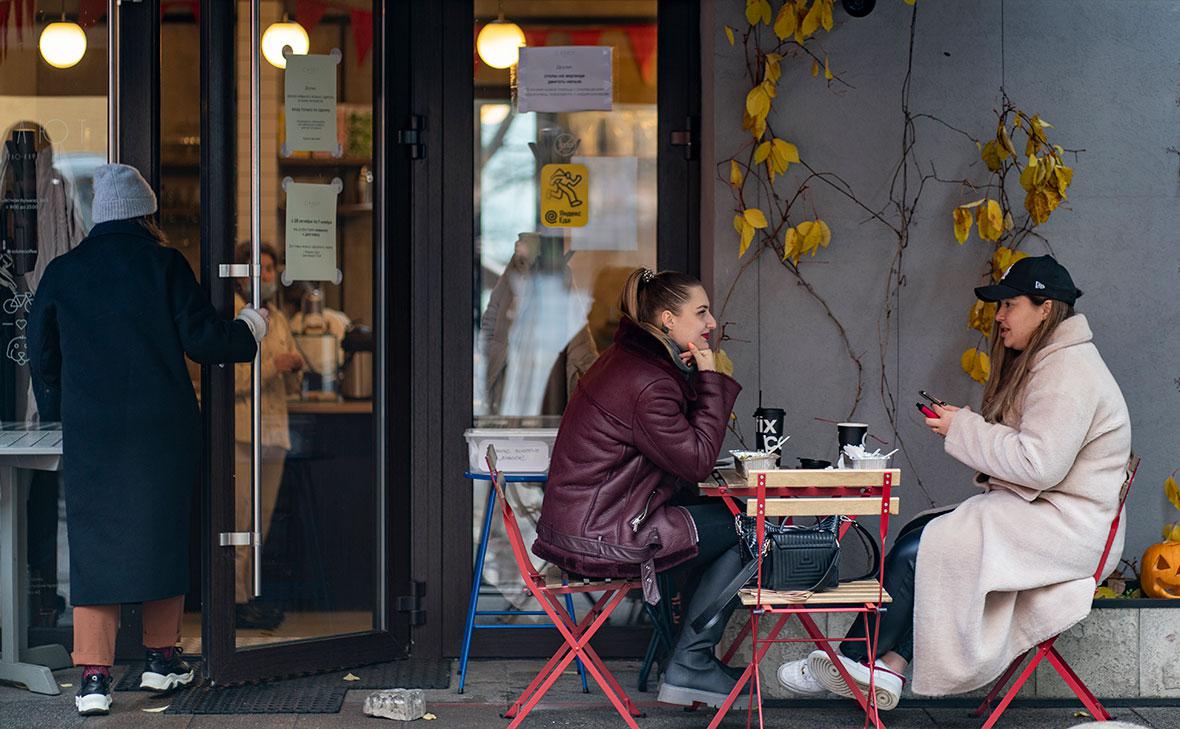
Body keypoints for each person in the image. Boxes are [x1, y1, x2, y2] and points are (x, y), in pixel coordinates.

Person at [776, 255, 1131, 709]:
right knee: (917, 535)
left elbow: (1039, 465)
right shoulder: (1052, 361)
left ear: (1046, 308)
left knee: (918, 552)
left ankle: (848, 660)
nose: (999, 316)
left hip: (1069, 532)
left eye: (1010, 304)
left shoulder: (1069, 371)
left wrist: (963, 428)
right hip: (1047, 516)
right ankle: (888, 666)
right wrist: (966, 426)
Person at [27, 163, 266, 715]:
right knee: (163, 537)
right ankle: (161, 660)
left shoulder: (65, 271)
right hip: (163, 432)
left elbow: (41, 352)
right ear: (144, 212)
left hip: (95, 433)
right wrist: (250, 327)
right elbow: (206, 341)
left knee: (94, 550)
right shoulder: (164, 264)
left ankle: (92, 677)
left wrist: (63, 409)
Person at [532, 267, 746, 708]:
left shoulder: (630, 362)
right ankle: (690, 664)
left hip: (589, 524)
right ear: (668, 320)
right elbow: (696, 460)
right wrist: (709, 381)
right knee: (753, 533)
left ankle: (688, 659)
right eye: (701, 312)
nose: (711, 324)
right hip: (603, 535)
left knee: (726, 524)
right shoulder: (648, 381)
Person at [233, 242, 303, 629]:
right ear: (240, 273)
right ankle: (236, 601)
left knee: (261, 523)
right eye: (257, 268)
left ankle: (250, 597)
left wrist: (295, 369)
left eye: (270, 268)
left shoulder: (277, 316)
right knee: (240, 519)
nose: (265, 275)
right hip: (243, 432)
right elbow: (227, 377)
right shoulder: (231, 314)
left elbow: (291, 377)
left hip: (275, 433)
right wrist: (274, 366)